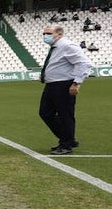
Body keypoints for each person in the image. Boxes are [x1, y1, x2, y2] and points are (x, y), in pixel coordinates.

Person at [38, 25, 91, 155]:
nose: (45, 36)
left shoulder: (68, 46)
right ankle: (68, 138)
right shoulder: (55, 48)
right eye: (44, 33)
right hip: (52, 85)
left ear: (59, 34)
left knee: (65, 115)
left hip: (63, 85)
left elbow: (83, 63)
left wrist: (77, 82)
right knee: (45, 113)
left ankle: (66, 144)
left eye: (49, 33)